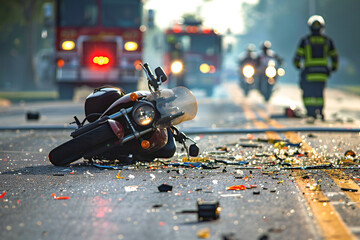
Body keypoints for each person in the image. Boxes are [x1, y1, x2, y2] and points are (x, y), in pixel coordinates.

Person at [293, 15, 338, 122]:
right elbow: (334, 56)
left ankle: (311, 112)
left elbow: (297, 57)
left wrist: (298, 66)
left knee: (308, 93)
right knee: (319, 93)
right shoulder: (327, 41)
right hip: (322, 73)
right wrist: (333, 67)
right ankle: (320, 111)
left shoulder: (305, 41)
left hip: (309, 72)